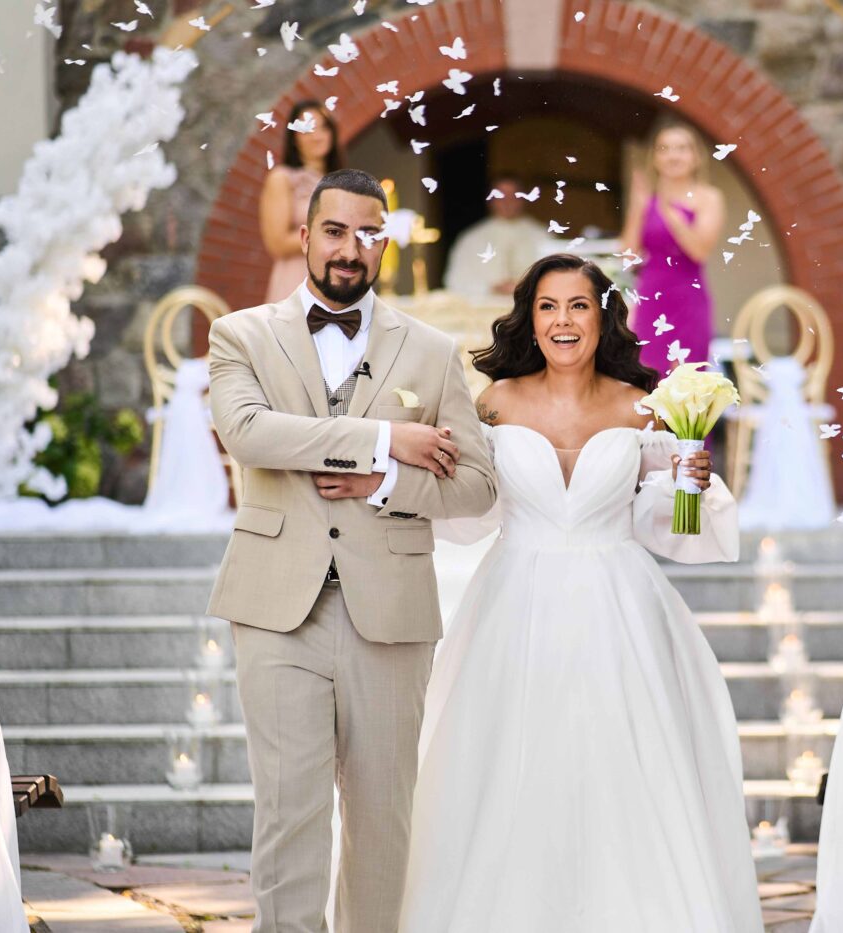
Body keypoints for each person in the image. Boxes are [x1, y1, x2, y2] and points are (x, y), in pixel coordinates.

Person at [398, 254, 764, 932]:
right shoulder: (494, 401)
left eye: (578, 305)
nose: (562, 321)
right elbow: (472, 510)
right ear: (530, 319)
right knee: (509, 764)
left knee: (625, 764)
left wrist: (691, 484)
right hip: (515, 603)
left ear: (603, 317)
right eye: (548, 306)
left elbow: (665, 523)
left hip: (620, 606)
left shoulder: (641, 406)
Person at [206, 168, 497, 933]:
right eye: (334, 231)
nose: (349, 248)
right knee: (288, 814)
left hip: (391, 612)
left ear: (385, 243)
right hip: (277, 605)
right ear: (306, 236)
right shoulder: (241, 334)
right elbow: (249, 434)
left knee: (382, 820)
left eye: (368, 233)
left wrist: (384, 481)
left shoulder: (433, 352)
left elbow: (477, 485)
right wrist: (383, 438)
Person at [621, 123, 725, 374]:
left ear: (696, 157)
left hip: (688, 297)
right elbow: (628, 255)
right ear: (655, 159)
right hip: (651, 296)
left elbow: (699, 251)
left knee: (687, 377)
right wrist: (638, 208)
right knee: (648, 375)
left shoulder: (709, 198)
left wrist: (669, 212)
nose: (673, 156)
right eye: (664, 149)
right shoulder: (647, 201)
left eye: (681, 149)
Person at [259, 99, 342, 303]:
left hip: (336, 282)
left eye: (323, 128)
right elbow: (277, 243)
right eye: (308, 129)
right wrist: (330, 233)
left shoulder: (342, 182)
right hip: (296, 280)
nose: (317, 136)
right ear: (294, 137)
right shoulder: (282, 178)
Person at [442, 175, 551, 299]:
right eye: (500, 196)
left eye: (514, 196)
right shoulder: (471, 238)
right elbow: (454, 281)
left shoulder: (542, 236)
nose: (507, 202)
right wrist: (492, 288)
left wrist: (525, 287)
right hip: (485, 306)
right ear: (490, 200)